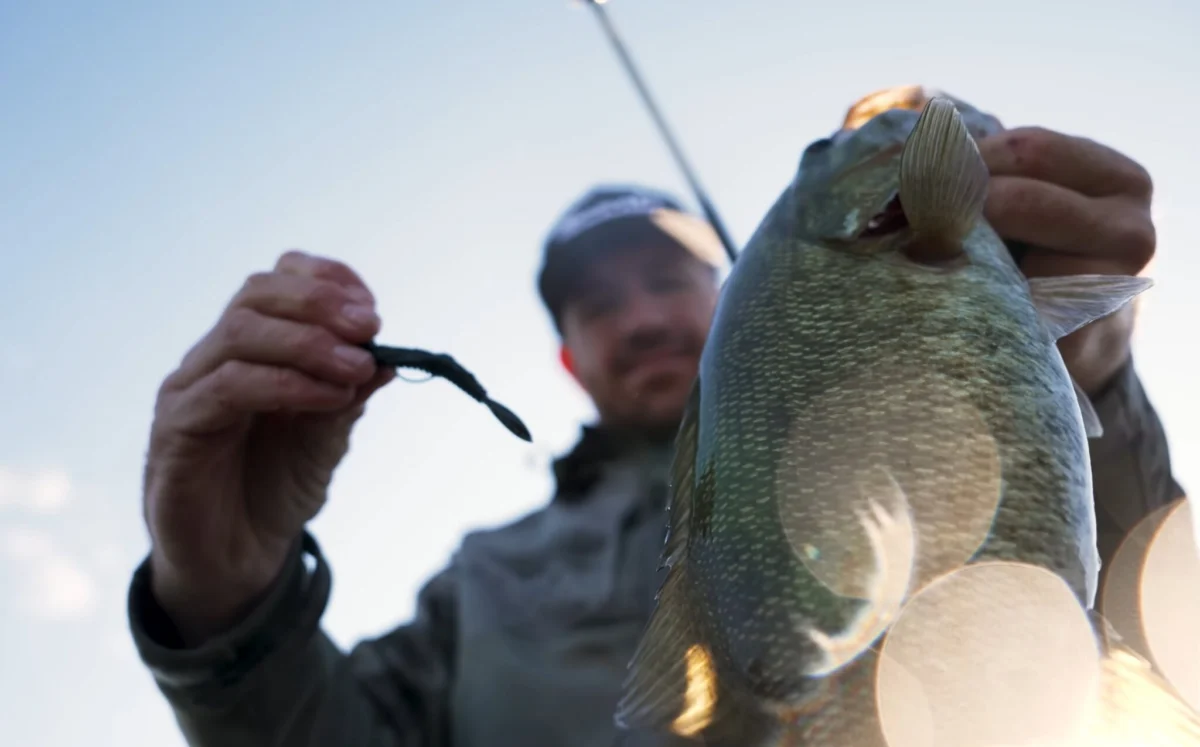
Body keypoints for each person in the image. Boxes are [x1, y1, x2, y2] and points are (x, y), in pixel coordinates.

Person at [127, 87, 1183, 747]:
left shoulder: (914, 392)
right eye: (598, 303)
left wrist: (1089, 373)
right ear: (566, 356)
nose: (637, 319)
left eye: (662, 279)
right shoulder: (479, 583)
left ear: (731, 294)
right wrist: (223, 585)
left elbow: (1138, 648)